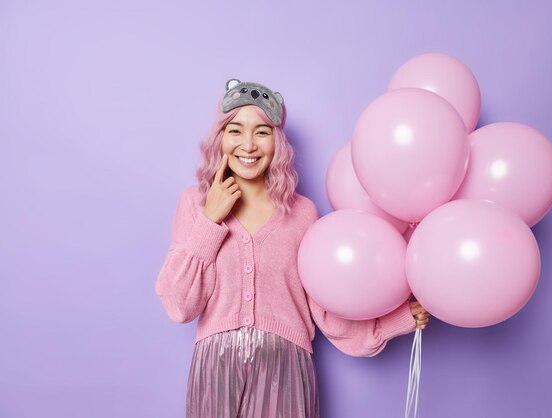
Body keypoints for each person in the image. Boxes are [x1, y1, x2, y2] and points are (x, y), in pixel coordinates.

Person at [155, 79, 430, 418]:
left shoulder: (302, 214)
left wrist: (396, 320)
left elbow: (326, 309)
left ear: (277, 142)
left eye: (262, 132)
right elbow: (179, 304)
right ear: (221, 139)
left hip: (285, 367)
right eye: (235, 131)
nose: (248, 145)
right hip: (216, 367)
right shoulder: (195, 204)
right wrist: (211, 220)